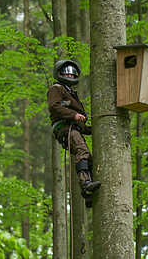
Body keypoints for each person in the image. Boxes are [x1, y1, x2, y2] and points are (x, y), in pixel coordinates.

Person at [47, 59, 101, 208]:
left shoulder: (71, 93)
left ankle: (88, 195)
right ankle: (85, 184)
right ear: (60, 73)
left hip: (73, 127)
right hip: (64, 127)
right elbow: (54, 106)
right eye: (67, 73)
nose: (70, 76)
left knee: (88, 159)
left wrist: (92, 128)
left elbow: (81, 125)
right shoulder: (56, 89)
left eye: (73, 74)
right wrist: (73, 115)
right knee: (82, 150)